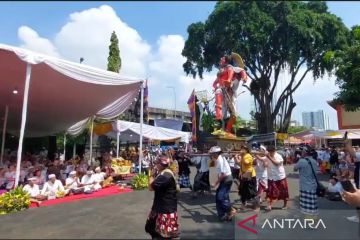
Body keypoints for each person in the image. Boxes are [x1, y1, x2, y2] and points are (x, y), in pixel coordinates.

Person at [145, 154, 179, 239]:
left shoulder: (165, 176)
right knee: (151, 228)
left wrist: (151, 175)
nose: (155, 165)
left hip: (164, 209)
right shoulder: (165, 172)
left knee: (162, 234)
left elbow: (150, 188)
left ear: (161, 164)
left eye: (157, 163)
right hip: (160, 206)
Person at [209, 146, 236, 221]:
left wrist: (215, 183)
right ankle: (222, 215)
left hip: (227, 179)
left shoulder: (220, 160)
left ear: (216, 153)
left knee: (220, 197)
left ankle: (230, 210)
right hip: (224, 179)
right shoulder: (218, 159)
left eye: (212, 154)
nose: (211, 155)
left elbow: (223, 174)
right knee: (221, 197)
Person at [294, 147, 319, 217]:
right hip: (313, 185)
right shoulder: (314, 161)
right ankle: (313, 217)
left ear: (304, 152)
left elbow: (295, 168)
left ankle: (309, 220)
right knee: (313, 203)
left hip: (305, 185)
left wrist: (300, 158)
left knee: (306, 205)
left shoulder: (301, 161)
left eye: (302, 151)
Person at [265, 146, 289, 211]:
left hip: (280, 177)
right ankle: (269, 205)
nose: (270, 153)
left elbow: (277, 164)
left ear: (274, 151)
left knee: (283, 192)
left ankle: (285, 205)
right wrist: (265, 163)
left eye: (271, 152)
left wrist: (269, 157)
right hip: (271, 177)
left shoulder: (278, 156)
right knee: (270, 192)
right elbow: (265, 162)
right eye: (269, 152)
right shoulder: (267, 156)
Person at [237, 145, 258, 210]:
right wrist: (236, 158)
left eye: (243, 149)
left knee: (251, 191)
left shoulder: (248, 155)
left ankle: (255, 205)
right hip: (244, 174)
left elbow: (246, 163)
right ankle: (244, 203)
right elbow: (240, 164)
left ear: (246, 150)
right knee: (242, 190)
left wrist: (242, 156)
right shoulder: (243, 156)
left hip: (250, 175)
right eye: (241, 148)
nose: (242, 150)